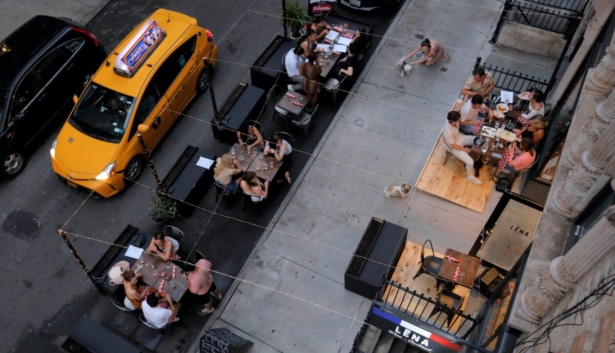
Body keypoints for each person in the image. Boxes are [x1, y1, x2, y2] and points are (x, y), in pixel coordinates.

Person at [442, 111, 482, 185]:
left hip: (460, 138)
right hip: (454, 147)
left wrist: (474, 122)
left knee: (477, 139)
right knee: (470, 162)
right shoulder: (448, 132)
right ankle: (470, 177)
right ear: (455, 120)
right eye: (459, 119)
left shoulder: (451, 119)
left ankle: (480, 155)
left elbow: (460, 120)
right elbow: (453, 146)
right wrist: (465, 150)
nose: (461, 119)